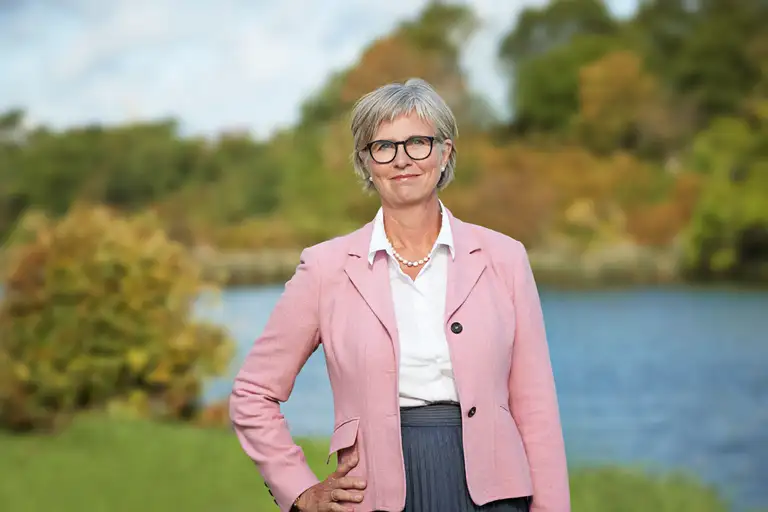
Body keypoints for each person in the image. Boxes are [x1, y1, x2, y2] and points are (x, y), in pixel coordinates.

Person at [229, 78, 570, 512]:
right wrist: (298, 489)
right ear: (365, 162)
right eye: (384, 147)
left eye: (418, 143)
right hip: (373, 496)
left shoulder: (504, 257)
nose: (403, 160)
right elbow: (252, 393)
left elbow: (536, 404)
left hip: (498, 495)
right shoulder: (325, 268)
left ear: (445, 152)